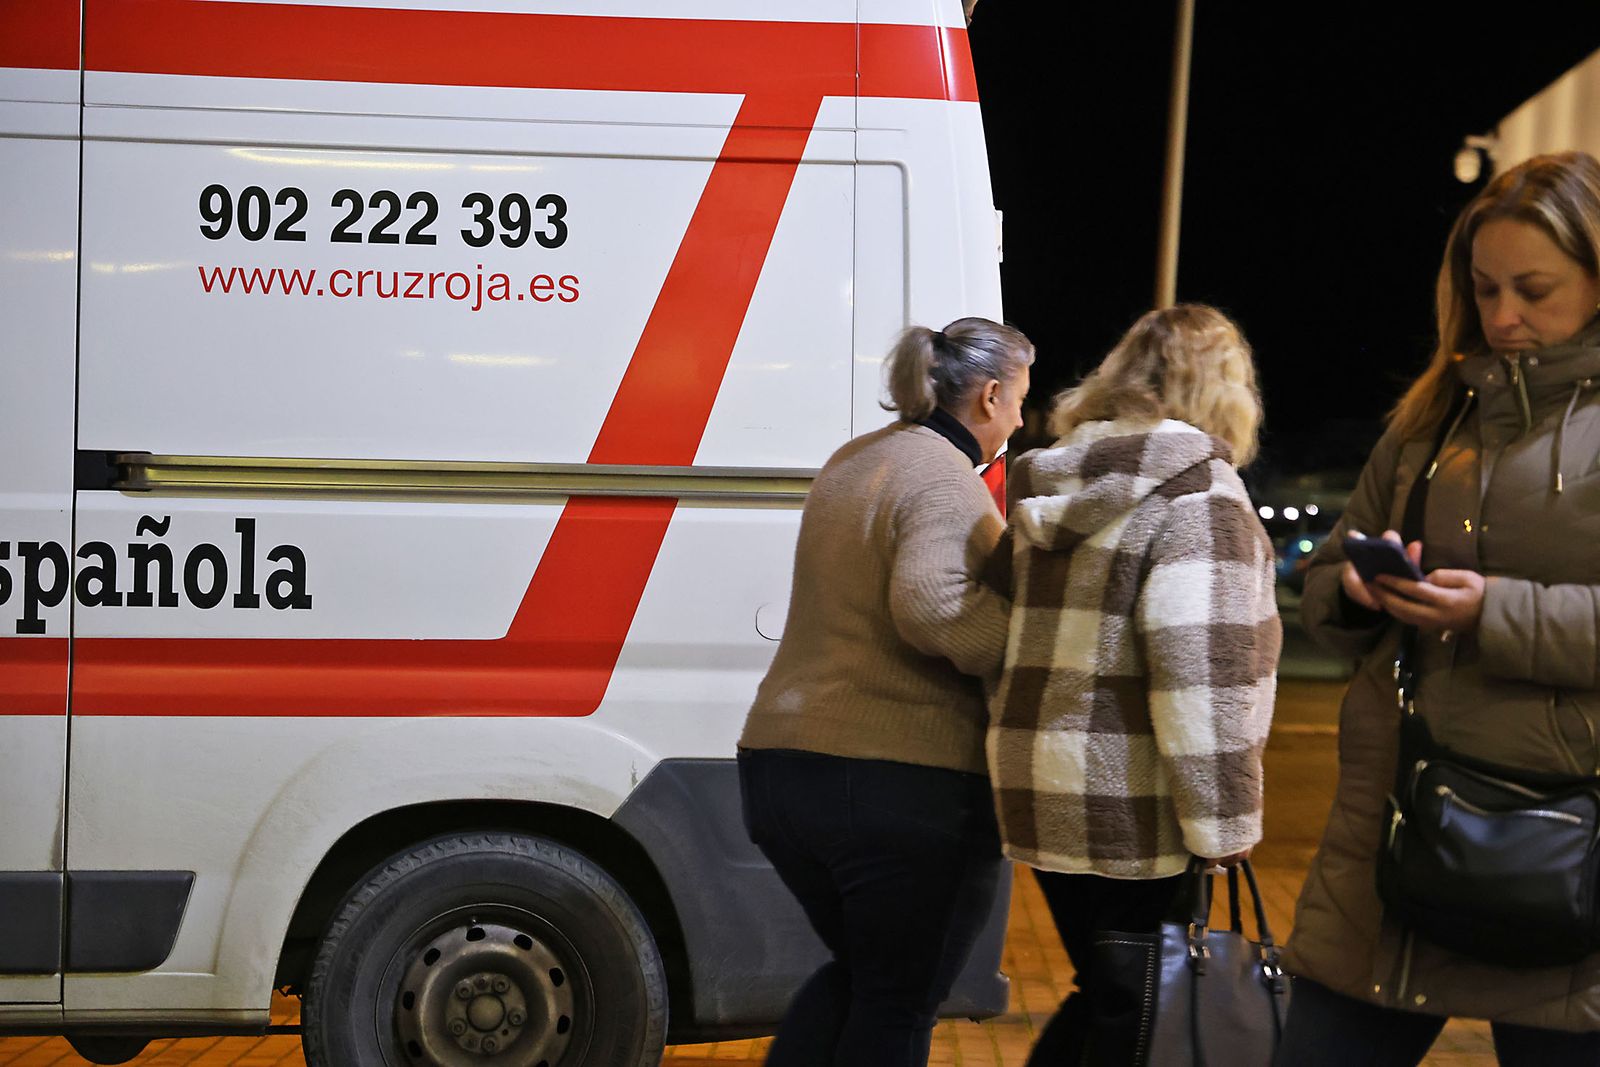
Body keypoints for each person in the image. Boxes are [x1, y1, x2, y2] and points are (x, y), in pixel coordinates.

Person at [1277, 150, 1600, 1064]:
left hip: (1569, 850)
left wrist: (1492, 610)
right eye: (1484, 287)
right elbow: (1328, 577)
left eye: (1533, 289)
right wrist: (1355, 588)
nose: (1502, 315)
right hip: (1395, 832)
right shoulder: (1435, 415)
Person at [988, 304, 1281, 1066]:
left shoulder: (1050, 476)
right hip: (1137, 799)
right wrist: (1224, 823)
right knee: (1139, 1010)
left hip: (1040, 781)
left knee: (1111, 994)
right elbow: (1200, 672)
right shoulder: (1201, 496)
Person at [737, 317, 1033, 1067]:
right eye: (1021, 400)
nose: (1021, 421)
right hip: (897, 783)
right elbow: (933, 605)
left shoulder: (858, 457)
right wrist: (1028, 639)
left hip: (781, 767)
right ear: (990, 395)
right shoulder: (944, 477)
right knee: (898, 1000)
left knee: (866, 980)